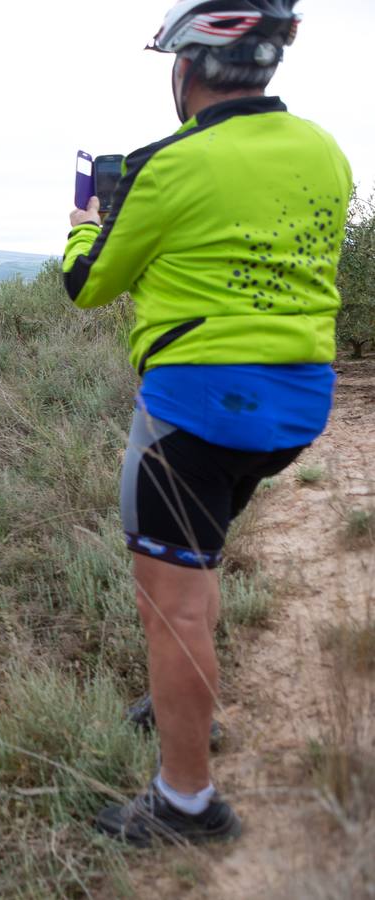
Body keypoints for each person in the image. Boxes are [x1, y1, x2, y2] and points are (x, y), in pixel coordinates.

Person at [62, 0, 350, 846]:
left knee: (173, 606)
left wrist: (86, 222)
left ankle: (188, 803)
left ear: (186, 68)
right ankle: (178, 697)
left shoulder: (170, 163)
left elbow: (90, 285)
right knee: (201, 557)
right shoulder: (326, 150)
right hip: (297, 407)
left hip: (192, 412)